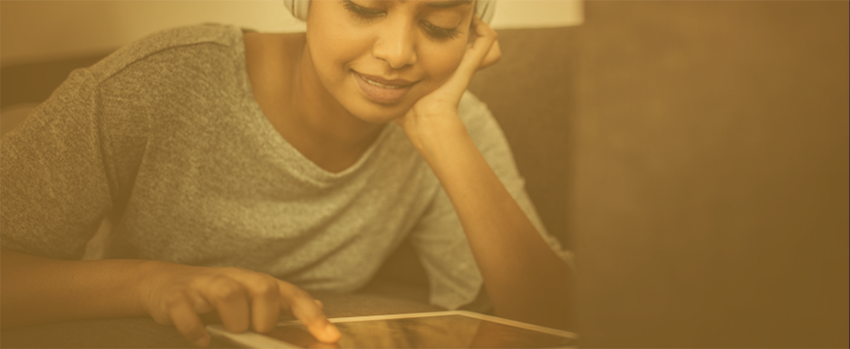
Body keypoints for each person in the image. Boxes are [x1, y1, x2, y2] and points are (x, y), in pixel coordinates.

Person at [0, 0, 573, 347]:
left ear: (474, 28)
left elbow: (557, 321)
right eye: (365, 8)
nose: (399, 52)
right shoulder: (155, 86)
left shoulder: (452, 118)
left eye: (442, 24)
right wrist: (150, 281)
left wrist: (440, 130)